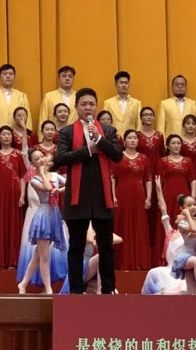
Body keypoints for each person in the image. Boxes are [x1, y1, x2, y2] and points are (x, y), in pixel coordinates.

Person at [53, 87, 123, 294]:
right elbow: (60, 159)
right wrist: (88, 151)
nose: (88, 107)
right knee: (76, 246)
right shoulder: (66, 132)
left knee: (106, 246)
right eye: (83, 104)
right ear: (76, 107)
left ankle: (109, 289)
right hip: (77, 196)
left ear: (97, 106)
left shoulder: (108, 131)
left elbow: (117, 155)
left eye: (91, 104)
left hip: (102, 197)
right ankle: (75, 290)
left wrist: (100, 140)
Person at [16, 128, 67, 290]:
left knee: (38, 255)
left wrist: (59, 190)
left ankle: (23, 283)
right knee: (44, 256)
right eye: (36, 159)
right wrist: (43, 172)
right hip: (43, 216)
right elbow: (47, 188)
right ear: (32, 163)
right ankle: (48, 289)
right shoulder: (34, 179)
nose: (40, 159)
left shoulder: (56, 175)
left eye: (41, 157)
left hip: (54, 215)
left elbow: (70, 185)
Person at [111, 129, 152, 270]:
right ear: (124, 141)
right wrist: (113, 196)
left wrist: (148, 197)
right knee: (122, 224)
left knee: (138, 225)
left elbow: (148, 179)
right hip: (122, 194)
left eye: (135, 138)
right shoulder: (118, 157)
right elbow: (112, 178)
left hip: (139, 195)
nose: (133, 140)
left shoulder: (144, 158)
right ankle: (121, 261)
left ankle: (139, 262)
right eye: (130, 138)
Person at [0, 126, 26, 269]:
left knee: (13, 225)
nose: (7, 136)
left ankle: (13, 262)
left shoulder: (18, 154)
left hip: (14, 194)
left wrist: (22, 195)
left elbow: (23, 176)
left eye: (9, 134)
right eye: (3, 134)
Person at [158, 134, 196, 264]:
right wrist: (160, 198)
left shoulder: (188, 161)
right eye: (173, 143)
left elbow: (193, 179)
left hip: (185, 194)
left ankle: (184, 255)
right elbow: (158, 182)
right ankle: (167, 255)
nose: (176, 146)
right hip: (168, 195)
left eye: (178, 143)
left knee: (185, 220)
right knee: (168, 221)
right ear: (168, 146)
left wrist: (193, 197)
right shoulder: (163, 161)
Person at [136, 106, 165, 260]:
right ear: (141, 117)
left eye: (150, 114)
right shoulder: (136, 135)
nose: (148, 117)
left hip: (156, 173)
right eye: (145, 114)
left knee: (155, 206)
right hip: (139, 174)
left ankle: (155, 243)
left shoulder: (159, 136)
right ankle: (143, 242)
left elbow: (162, 156)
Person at [59, 226, 123, 295]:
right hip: (79, 267)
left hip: (88, 270)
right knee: (100, 257)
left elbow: (119, 239)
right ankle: (100, 292)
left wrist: (103, 239)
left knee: (115, 292)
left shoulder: (96, 230)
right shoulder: (84, 228)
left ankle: (94, 290)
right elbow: (89, 239)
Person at [0, 64, 32, 132]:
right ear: (0, 77)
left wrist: (28, 134)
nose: (8, 76)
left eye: (11, 74)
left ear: (14, 76)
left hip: (18, 135)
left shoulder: (22, 96)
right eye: (4, 74)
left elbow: (27, 119)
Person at [157, 75, 196, 139]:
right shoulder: (164, 104)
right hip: (172, 142)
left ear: (186, 87)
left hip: (190, 142)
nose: (180, 86)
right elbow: (160, 127)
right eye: (177, 84)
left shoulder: (194, 104)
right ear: (172, 87)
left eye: (182, 84)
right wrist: (163, 144)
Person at [38, 66, 77, 139]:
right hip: (53, 137)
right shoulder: (49, 96)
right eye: (64, 76)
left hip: (74, 136)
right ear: (58, 78)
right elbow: (43, 119)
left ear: (73, 79)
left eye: (70, 76)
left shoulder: (78, 97)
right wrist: (42, 140)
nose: (67, 78)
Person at [103, 71, 142, 136]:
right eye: (121, 83)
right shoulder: (108, 103)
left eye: (126, 83)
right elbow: (105, 123)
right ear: (116, 84)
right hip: (113, 138)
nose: (124, 85)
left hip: (130, 139)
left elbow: (139, 125)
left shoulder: (136, 103)